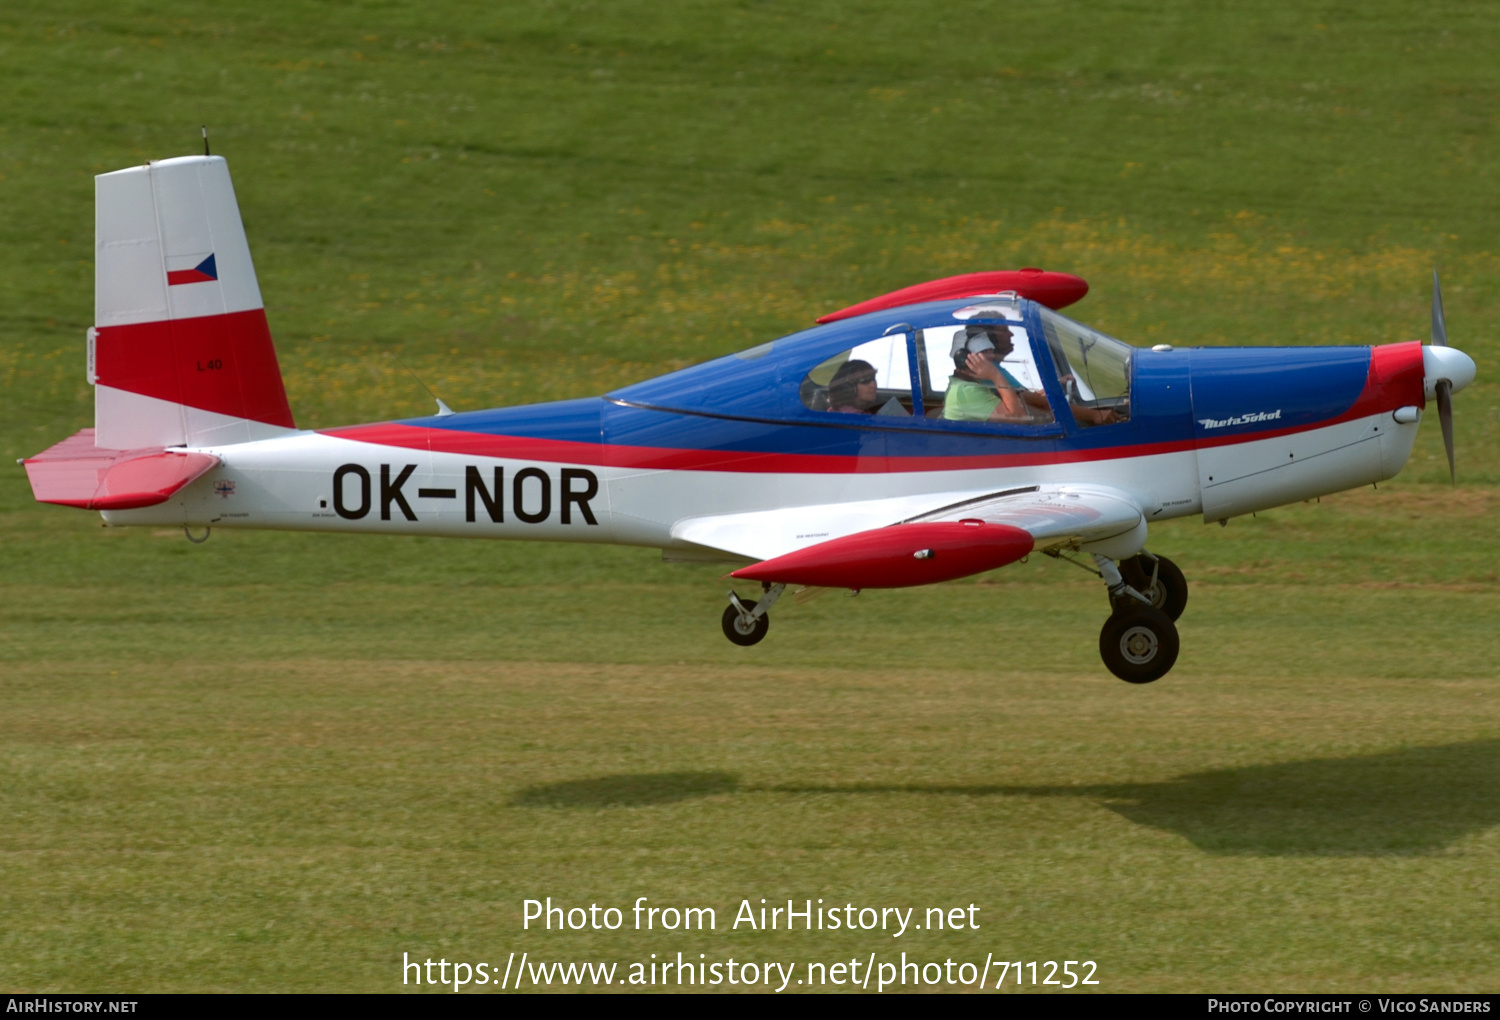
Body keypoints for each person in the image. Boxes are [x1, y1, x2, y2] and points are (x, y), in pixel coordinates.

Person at [942, 325, 1053, 423]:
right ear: (964, 358)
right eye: (985, 351)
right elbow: (1019, 418)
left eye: (991, 351)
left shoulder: (968, 384)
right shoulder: (967, 391)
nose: (992, 356)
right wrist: (995, 375)